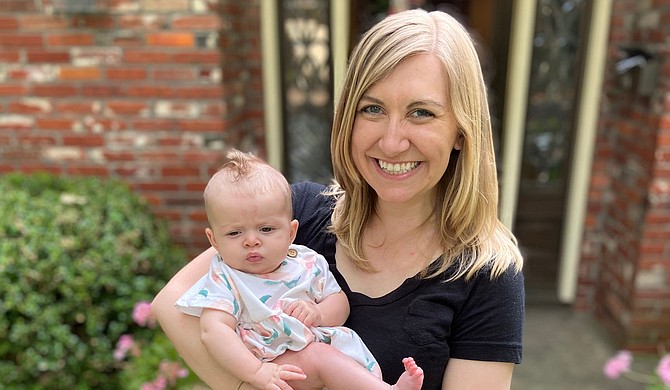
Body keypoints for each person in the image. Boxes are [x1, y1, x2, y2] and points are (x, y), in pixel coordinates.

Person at [152, 8, 524, 390]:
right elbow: (173, 304)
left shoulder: (488, 277)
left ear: (462, 131)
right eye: (373, 109)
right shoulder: (298, 215)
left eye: (422, 112)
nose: (393, 142)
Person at [175, 149, 424, 390]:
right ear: (214, 240)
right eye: (234, 233)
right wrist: (255, 372)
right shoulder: (225, 278)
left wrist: (318, 313)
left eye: (266, 229)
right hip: (273, 361)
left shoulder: (306, 261)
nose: (251, 241)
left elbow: (339, 302)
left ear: (292, 232)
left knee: (327, 359)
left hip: (318, 352)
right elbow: (213, 331)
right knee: (320, 358)